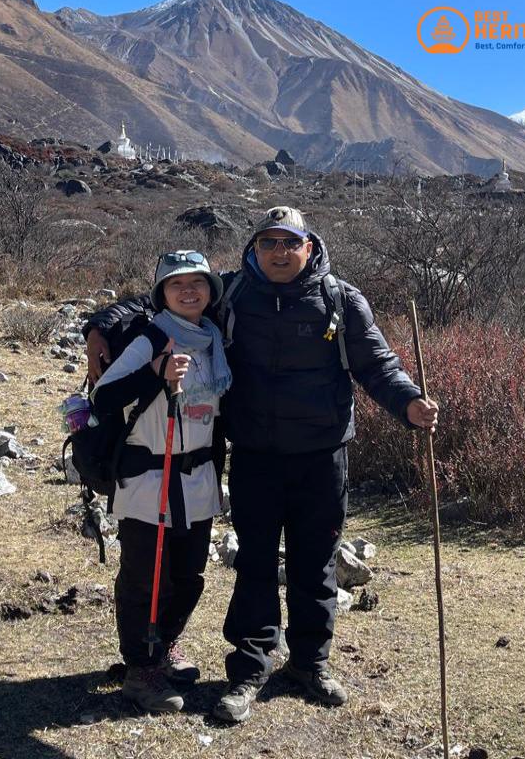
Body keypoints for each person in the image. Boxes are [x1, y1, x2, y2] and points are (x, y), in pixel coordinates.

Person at [212, 206, 438, 723]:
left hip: (321, 456)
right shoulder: (229, 294)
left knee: (316, 562)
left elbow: (377, 363)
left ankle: (310, 663)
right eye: (269, 242)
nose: (279, 252)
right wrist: (102, 329)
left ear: (309, 247)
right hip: (254, 455)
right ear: (255, 248)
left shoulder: (340, 298)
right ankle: (250, 669)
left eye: (289, 243)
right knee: (254, 563)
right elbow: (167, 305)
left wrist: (408, 403)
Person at [89, 250, 230, 714]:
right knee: (144, 579)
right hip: (150, 478)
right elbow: (105, 397)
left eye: (198, 282)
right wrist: (155, 374)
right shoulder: (152, 338)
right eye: (176, 285)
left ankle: (165, 644)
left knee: (188, 576)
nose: (189, 291)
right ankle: (141, 668)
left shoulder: (214, 340)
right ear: (161, 295)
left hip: (196, 481)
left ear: (211, 290)